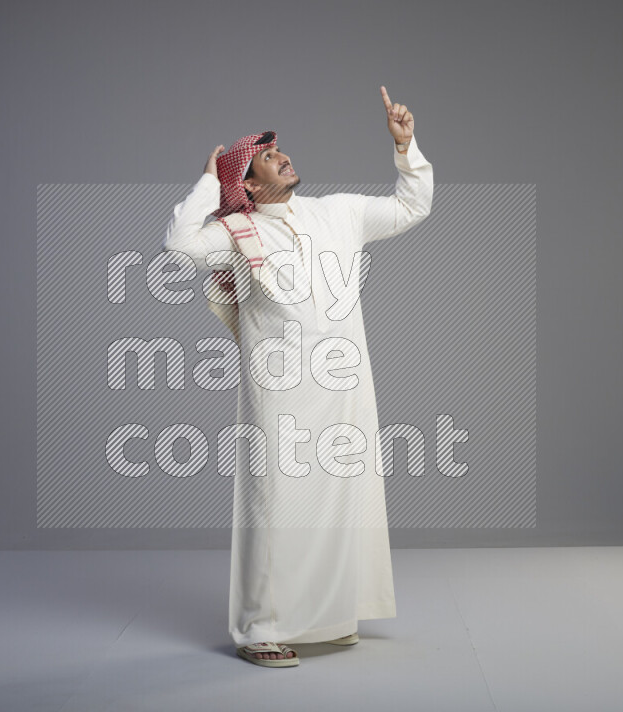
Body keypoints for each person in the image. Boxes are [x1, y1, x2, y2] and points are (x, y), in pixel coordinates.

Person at [162, 86, 433, 668]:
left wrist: (405, 147)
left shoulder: (337, 211)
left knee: (341, 499)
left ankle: (328, 616)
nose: (282, 156)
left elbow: (413, 207)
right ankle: (261, 628)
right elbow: (180, 245)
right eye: (265, 157)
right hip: (279, 390)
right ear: (250, 186)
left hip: (344, 388)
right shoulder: (237, 234)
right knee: (275, 504)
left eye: (281, 150)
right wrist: (210, 181)